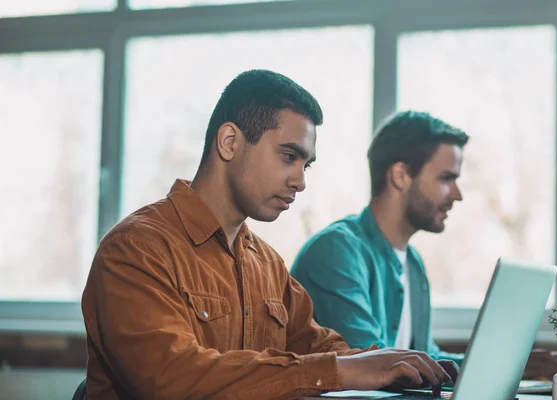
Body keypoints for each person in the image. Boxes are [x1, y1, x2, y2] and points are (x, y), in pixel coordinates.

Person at [81, 71, 458, 400]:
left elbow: (322, 346)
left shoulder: (266, 263)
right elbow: (172, 376)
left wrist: (394, 363)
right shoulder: (136, 249)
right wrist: (339, 371)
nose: (301, 181)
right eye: (288, 156)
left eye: (306, 164)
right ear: (229, 143)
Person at [290, 111, 557, 378]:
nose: (458, 194)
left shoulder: (413, 263)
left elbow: (425, 356)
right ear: (400, 175)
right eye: (446, 178)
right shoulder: (337, 252)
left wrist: (507, 367)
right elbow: (373, 363)